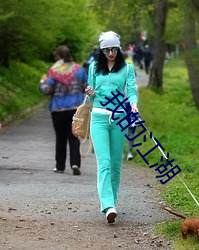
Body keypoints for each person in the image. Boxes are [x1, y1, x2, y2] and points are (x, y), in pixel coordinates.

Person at [85, 31, 138, 223]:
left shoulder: (127, 68)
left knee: (116, 164)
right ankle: (107, 205)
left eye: (114, 49)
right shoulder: (94, 68)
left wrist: (133, 103)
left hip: (120, 119)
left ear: (119, 48)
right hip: (98, 118)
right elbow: (91, 96)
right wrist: (90, 92)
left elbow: (131, 90)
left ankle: (112, 202)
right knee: (104, 163)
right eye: (106, 50)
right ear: (101, 50)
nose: (110, 53)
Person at [39, 45, 88, 175]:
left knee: (60, 138)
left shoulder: (54, 71)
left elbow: (47, 90)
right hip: (75, 109)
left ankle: (60, 166)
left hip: (58, 109)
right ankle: (75, 163)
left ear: (58, 57)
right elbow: (86, 87)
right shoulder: (79, 70)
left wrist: (42, 83)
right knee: (74, 137)